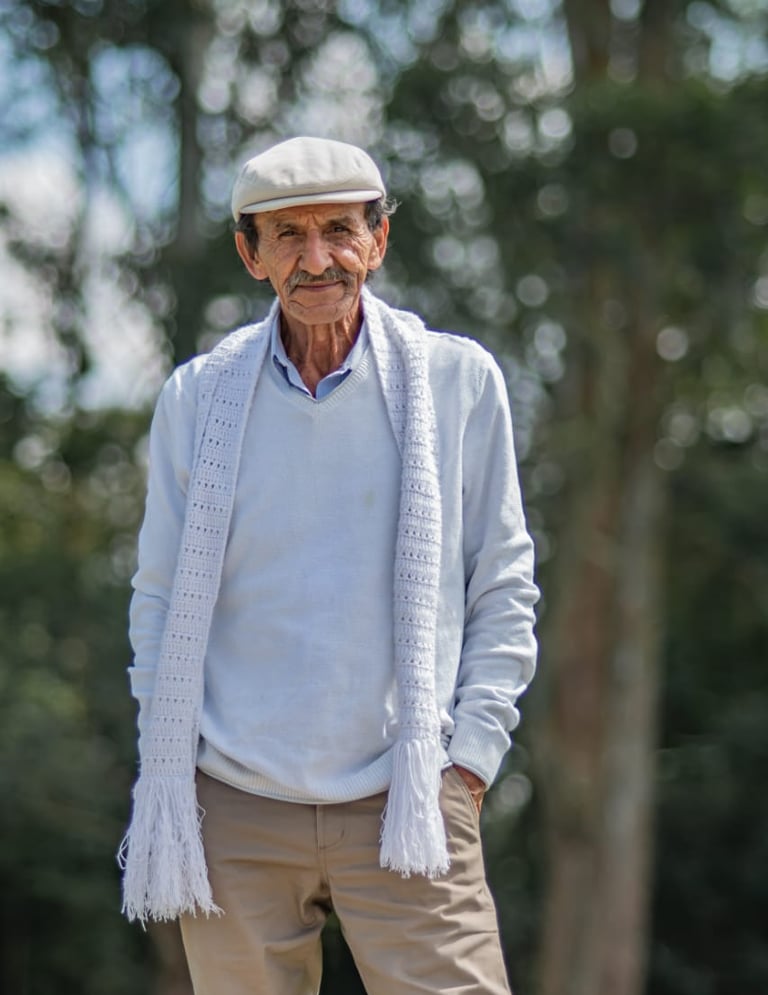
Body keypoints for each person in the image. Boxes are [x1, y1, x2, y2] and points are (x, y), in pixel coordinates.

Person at [120, 136, 539, 995]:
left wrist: (470, 761)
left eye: (340, 231)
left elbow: (502, 582)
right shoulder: (197, 397)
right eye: (288, 236)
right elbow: (158, 597)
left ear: (378, 241)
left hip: (411, 795)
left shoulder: (459, 381)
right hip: (232, 801)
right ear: (251, 253)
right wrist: (179, 758)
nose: (318, 260)